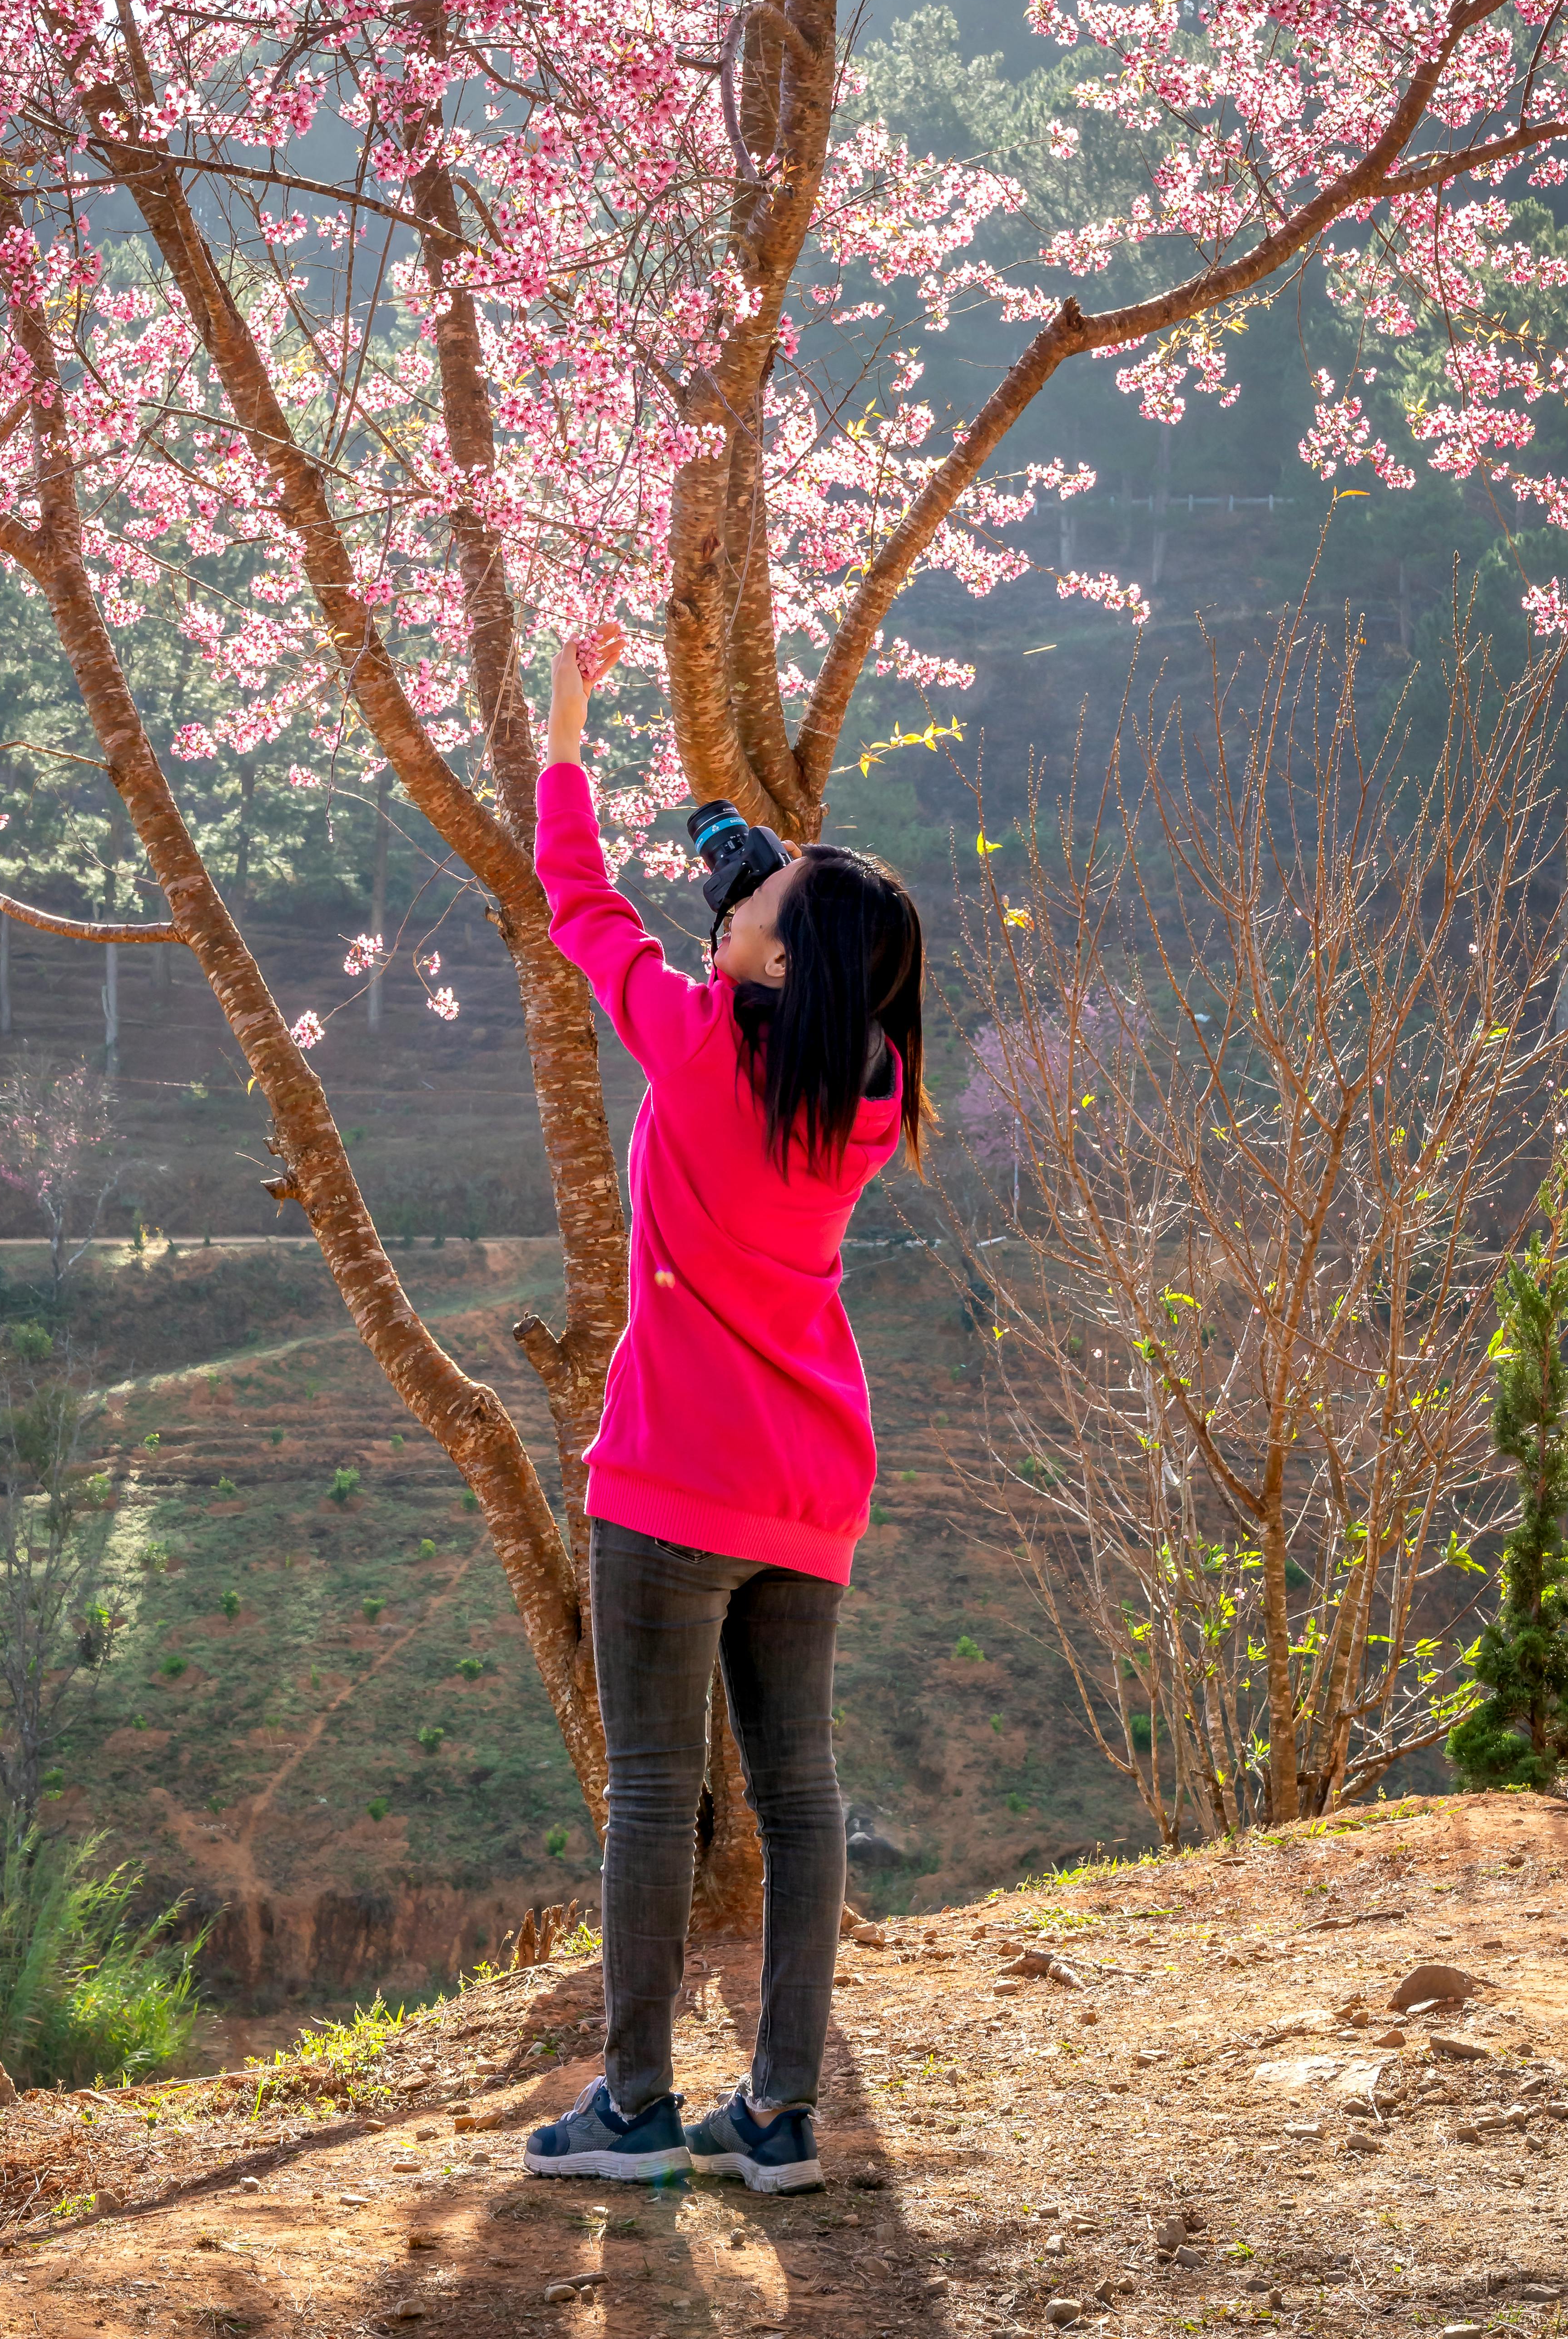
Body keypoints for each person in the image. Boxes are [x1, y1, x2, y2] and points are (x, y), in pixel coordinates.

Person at [521, 622, 928, 2196]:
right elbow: (820, 988)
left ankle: (630, 2103)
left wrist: (567, 737)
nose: (741, 890)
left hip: (672, 1485)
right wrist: (767, 905)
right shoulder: (876, 1097)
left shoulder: (693, 1044)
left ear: (768, 954)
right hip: (811, 1487)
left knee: (651, 1791)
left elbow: (582, 906)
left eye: (762, 896)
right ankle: (779, 2111)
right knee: (802, 1789)